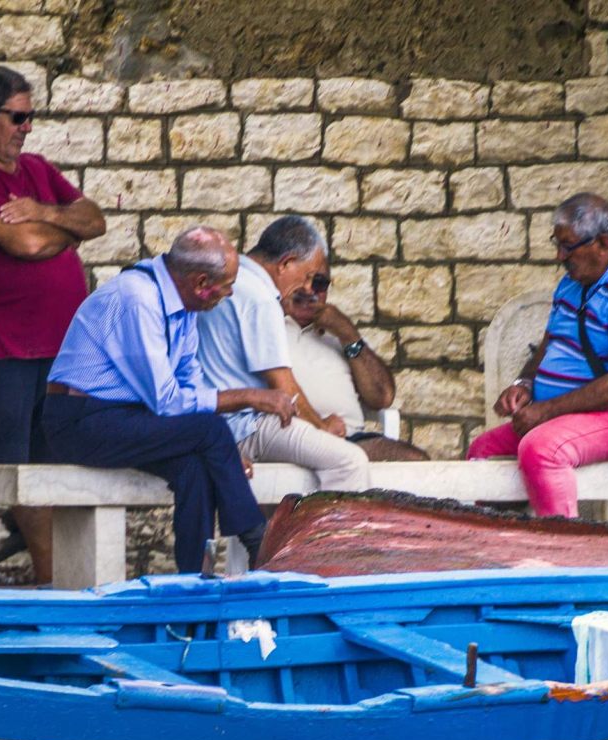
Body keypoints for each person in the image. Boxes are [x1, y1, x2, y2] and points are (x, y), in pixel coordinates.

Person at [0, 66, 106, 582]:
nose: (26, 127)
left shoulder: (35, 171)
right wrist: (63, 228)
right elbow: (26, 244)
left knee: (41, 468)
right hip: (0, 345)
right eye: (17, 117)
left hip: (59, 348)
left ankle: (50, 578)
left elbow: (94, 219)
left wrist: (43, 212)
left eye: (30, 118)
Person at [42, 227, 296, 574]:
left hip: (126, 416)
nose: (230, 292)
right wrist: (248, 397)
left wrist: (222, 449)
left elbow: (188, 382)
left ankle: (195, 577)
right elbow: (168, 401)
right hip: (78, 421)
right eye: (227, 285)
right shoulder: (138, 298)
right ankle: (258, 542)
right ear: (201, 282)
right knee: (208, 430)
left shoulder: (185, 305)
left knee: (195, 467)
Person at [467, 192, 608, 518]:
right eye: (557, 244)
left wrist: (546, 411)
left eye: (567, 247)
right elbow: (549, 347)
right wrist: (523, 383)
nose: (559, 256)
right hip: (568, 415)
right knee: (482, 450)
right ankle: (504, 540)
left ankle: (564, 551)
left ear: (603, 243)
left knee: (542, 449)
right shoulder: (573, 284)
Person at [197, 215, 370, 491]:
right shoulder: (261, 298)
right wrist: (323, 427)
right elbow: (283, 386)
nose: (307, 288)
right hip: (245, 426)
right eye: (307, 276)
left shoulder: (229, 279)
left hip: (212, 426)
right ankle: (329, 536)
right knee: (349, 461)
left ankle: (287, 534)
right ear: (286, 263)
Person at [281, 271, 429, 462]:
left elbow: (382, 397)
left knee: (414, 460)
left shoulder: (336, 333)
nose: (310, 291)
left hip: (350, 440)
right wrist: (319, 426)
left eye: (320, 283)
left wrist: (348, 334)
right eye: (302, 281)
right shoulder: (268, 326)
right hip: (291, 438)